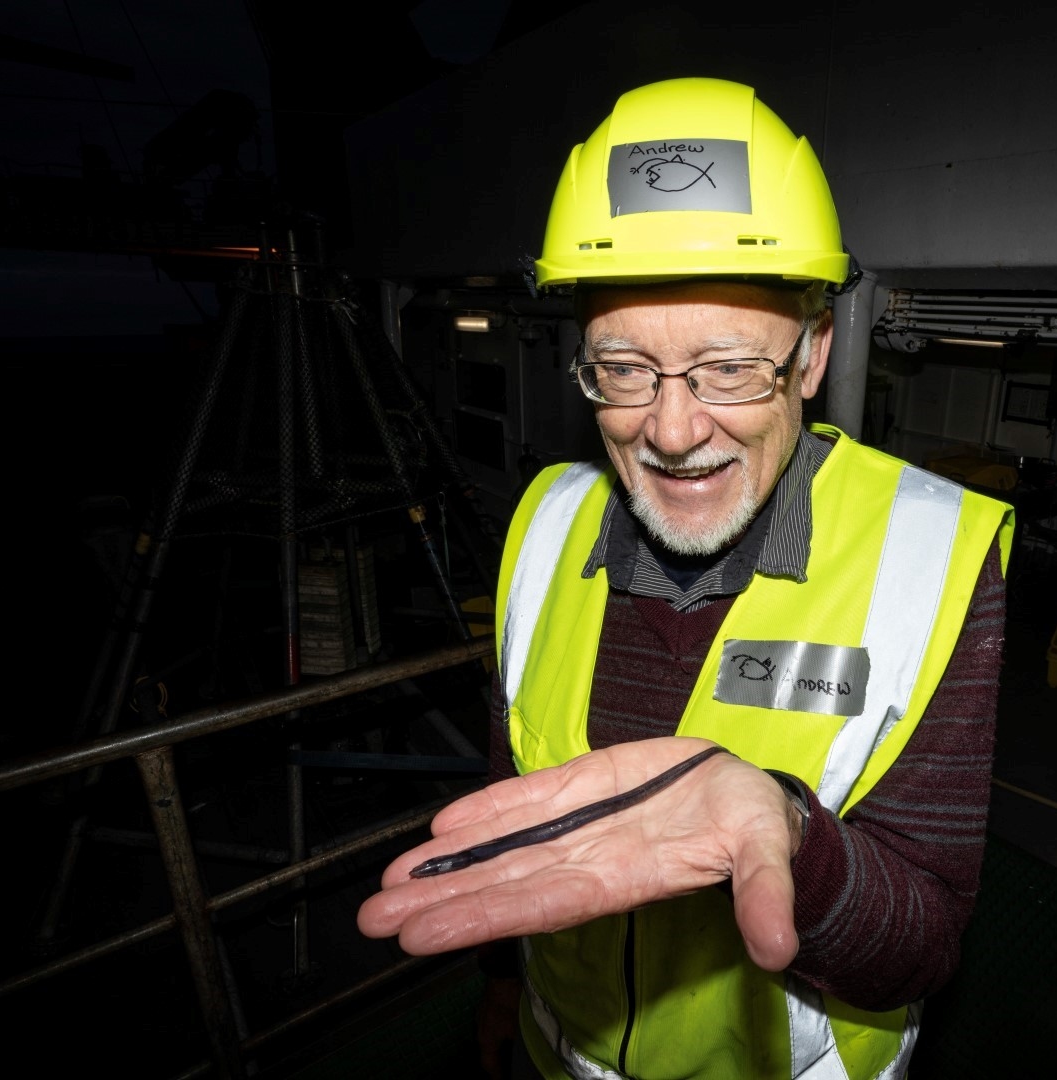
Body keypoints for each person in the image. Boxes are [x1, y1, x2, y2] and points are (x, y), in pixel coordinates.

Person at [358, 76, 1014, 1080]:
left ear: (813, 353)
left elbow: (921, 949)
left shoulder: (937, 558)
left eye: (728, 367)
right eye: (624, 368)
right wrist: (501, 982)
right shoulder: (543, 522)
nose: (670, 430)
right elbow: (513, 798)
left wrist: (790, 836)